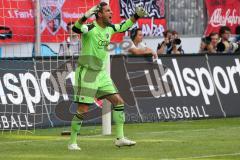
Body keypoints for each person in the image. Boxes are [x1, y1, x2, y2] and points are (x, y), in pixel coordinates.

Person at [68, 2, 148, 150]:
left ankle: (120, 138)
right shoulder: (90, 28)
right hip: (87, 73)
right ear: (99, 14)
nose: (111, 13)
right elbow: (76, 28)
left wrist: (136, 16)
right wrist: (86, 15)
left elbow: (124, 26)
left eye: (111, 11)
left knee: (118, 101)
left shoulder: (110, 28)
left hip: (101, 74)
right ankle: (72, 142)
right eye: (108, 11)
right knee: (83, 109)